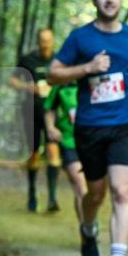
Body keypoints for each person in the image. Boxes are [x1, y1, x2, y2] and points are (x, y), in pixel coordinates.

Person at [48, 0, 128, 256]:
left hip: (125, 124)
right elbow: (53, 73)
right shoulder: (80, 38)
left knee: (122, 191)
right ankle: (87, 226)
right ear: (95, 1)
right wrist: (87, 68)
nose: (109, 0)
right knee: (95, 194)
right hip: (90, 127)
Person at [12, 28, 62, 212]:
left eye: (48, 40)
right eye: (43, 41)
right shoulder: (27, 60)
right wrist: (28, 87)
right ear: (38, 41)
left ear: (53, 41)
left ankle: (52, 197)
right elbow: (13, 81)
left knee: (52, 150)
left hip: (52, 113)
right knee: (33, 154)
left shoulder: (59, 61)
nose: (46, 44)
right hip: (30, 112)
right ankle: (32, 193)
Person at [44, 83, 87, 229]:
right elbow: (49, 108)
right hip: (69, 142)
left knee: (93, 190)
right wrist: (51, 127)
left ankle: (88, 220)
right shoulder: (61, 86)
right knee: (80, 185)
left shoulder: (93, 80)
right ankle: (87, 229)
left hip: (93, 141)